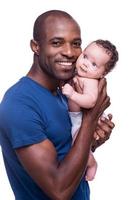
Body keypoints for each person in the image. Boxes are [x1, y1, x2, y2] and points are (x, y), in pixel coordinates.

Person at [0, 10, 114, 200]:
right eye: (56, 42)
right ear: (36, 46)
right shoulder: (19, 104)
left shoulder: (65, 94)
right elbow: (59, 190)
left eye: (76, 44)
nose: (69, 52)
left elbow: (65, 152)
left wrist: (92, 139)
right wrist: (90, 119)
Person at [62, 39, 118, 181]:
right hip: (78, 117)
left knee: (77, 144)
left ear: (102, 74)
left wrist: (73, 94)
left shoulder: (91, 82)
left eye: (94, 64)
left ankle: (92, 163)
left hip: (82, 119)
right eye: (85, 56)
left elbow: (91, 101)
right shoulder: (78, 73)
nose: (86, 64)